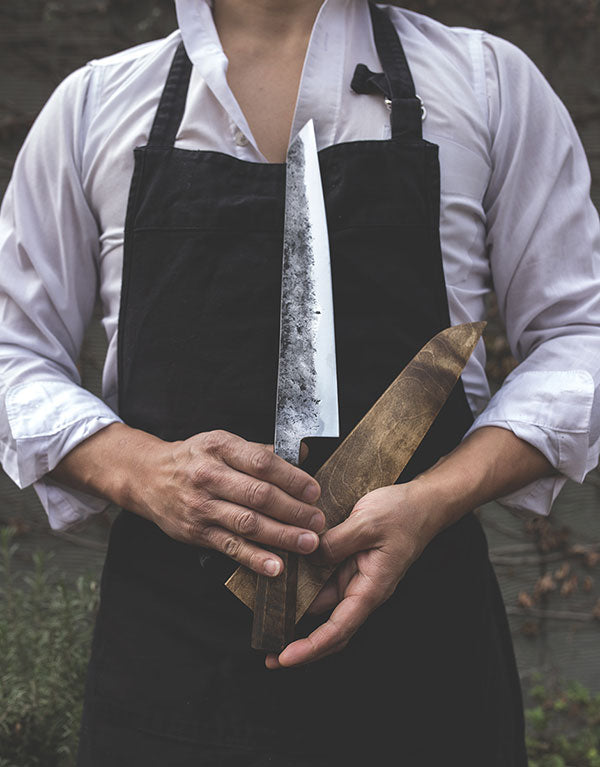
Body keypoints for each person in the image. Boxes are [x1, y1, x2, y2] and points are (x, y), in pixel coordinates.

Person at [1, 0, 599, 764]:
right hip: (170, 677)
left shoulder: (487, 84)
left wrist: (434, 497)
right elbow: (12, 350)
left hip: (426, 678)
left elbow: (581, 337)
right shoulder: (95, 105)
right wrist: (139, 468)